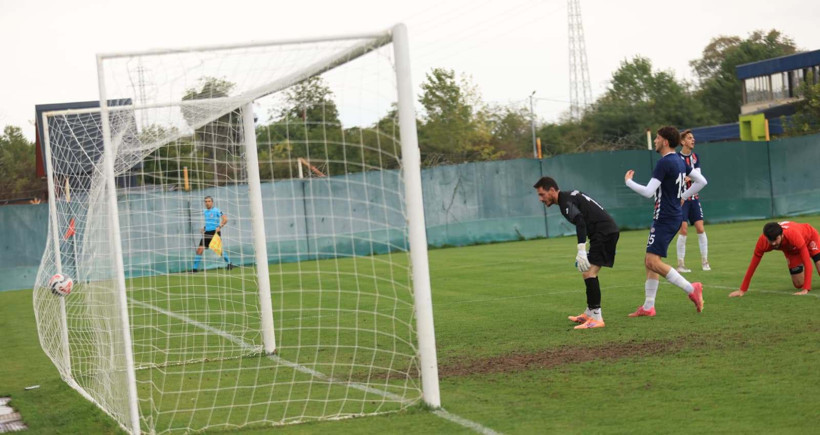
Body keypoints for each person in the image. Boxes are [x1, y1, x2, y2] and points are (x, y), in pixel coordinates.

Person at [624, 126, 707, 317]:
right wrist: (684, 196)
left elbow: (648, 192)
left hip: (665, 217)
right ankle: (648, 306)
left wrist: (628, 182)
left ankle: (691, 288)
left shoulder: (664, 163)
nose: (655, 141)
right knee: (650, 261)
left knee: (652, 260)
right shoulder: (679, 160)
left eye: (657, 138)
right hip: (673, 215)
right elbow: (702, 181)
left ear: (665, 142)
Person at [534, 176, 620, 329]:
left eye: (542, 194)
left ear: (552, 190)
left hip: (604, 233)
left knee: (589, 273)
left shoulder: (565, 202)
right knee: (586, 272)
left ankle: (597, 318)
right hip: (602, 232)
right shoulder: (569, 196)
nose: (540, 199)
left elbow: (580, 220)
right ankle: (589, 313)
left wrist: (581, 250)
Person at [729, 221, 820, 297]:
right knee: (798, 284)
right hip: (791, 251)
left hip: (810, 239)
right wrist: (742, 290)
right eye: (770, 240)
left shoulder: (792, 234)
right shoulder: (763, 242)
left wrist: (806, 289)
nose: (773, 243)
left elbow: (807, 262)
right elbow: (753, 265)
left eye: (775, 239)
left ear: (782, 234)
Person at [675, 129, 710, 272]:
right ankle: (680, 264)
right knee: (683, 230)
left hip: (694, 199)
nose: (692, 140)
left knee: (700, 229)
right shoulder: (676, 158)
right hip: (681, 200)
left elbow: (698, 176)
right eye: (689, 138)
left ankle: (705, 261)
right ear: (682, 142)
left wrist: (690, 176)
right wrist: (688, 177)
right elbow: (679, 177)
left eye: (693, 138)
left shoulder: (695, 157)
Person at [192, 196, 234, 272]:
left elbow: (225, 219)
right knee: (199, 250)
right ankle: (194, 269)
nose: (207, 203)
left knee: (218, 250)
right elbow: (209, 222)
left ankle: (229, 262)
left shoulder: (217, 210)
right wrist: (204, 228)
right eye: (206, 201)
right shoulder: (204, 211)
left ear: (212, 202)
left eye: (209, 201)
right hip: (207, 233)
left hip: (215, 233)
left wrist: (220, 226)